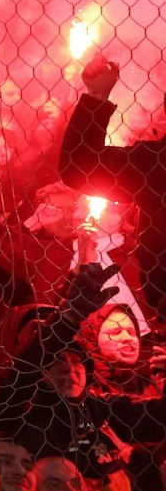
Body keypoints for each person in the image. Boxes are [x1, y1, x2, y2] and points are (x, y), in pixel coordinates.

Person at [56, 54, 166, 320]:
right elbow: (80, 168)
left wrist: (97, 96)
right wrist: (95, 97)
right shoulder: (157, 163)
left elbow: (78, 167)